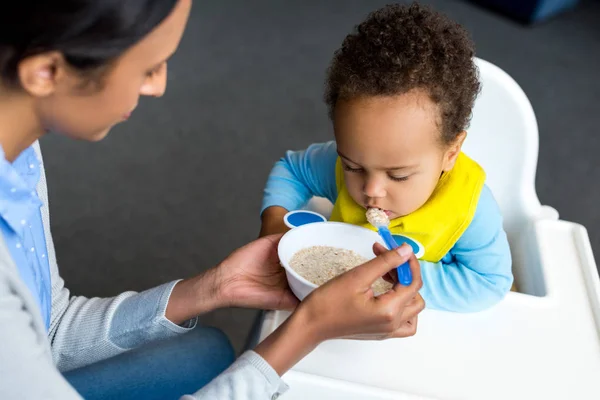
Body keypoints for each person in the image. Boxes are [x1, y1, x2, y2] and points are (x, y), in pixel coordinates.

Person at [0, 1, 425, 399]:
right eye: (148, 68)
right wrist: (308, 330)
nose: (160, 86)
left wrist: (214, 288)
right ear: (45, 71)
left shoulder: (18, 149)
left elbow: (48, 329)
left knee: (206, 352)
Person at [260, 3, 514, 313]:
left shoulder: (469, 209)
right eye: (354, 166)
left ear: (450, 153)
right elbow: (292, 170)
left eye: (399, 175)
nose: (371, 190)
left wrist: (389, 276)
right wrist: (274, 218)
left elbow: (490, 282)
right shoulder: (339, 166)